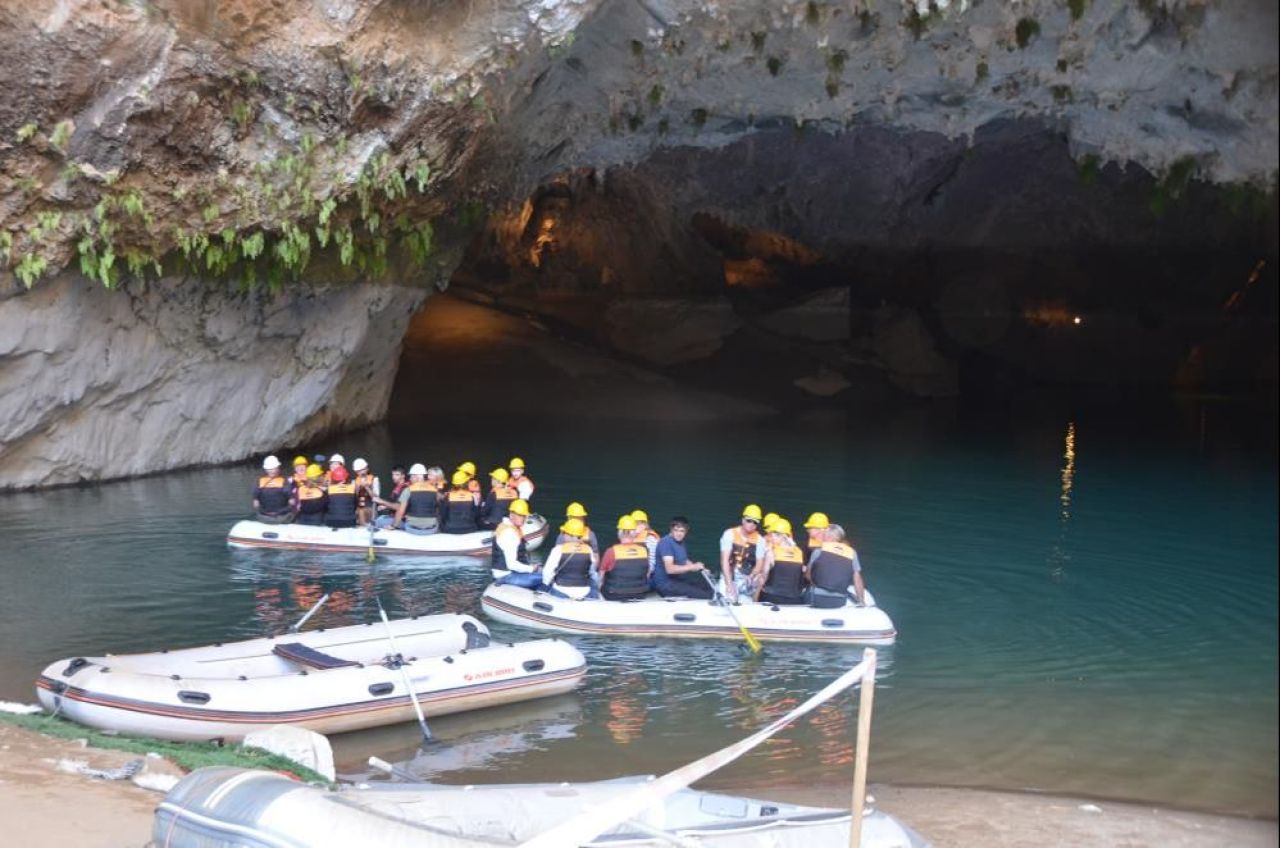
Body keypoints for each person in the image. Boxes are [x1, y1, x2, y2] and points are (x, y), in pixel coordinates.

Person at [651, 516, 714, 599]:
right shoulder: (665, 543)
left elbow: (684, 560)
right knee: (707, 595)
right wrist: (692, 567)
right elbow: (670, 569)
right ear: (671, 529)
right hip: (666, 585)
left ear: (686, 531)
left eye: (682, 531)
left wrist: (700, 568)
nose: (679, 533)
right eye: (676, 530)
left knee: (708, 586)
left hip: (678, 580)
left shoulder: (681, 542)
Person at [808, 523, 865, 608]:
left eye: (824, 535)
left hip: (817, 598)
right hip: (839, 601)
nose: (822, 537)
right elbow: (857, 579)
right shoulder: (852, 553)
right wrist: (861, 601)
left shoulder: (818, 551)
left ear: (829, 537)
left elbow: (807, 575)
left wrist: (815, 584)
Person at [753, 518, 808, 605]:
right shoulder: (799, 552)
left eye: (772, 535)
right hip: (794, 599)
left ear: (781, 536)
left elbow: (764, 578)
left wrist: (755, 597)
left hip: (772, 598)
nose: (771, 538)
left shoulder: (772, 552)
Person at [542, 518, 599, 599]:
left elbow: (547, 571)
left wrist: (546, 584)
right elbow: (592, 572)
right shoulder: (589, 550)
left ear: (569, 535)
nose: (563, 535)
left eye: (564, 533)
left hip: (561, 590)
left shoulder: (558, 549)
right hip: (583, 592)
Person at [598, 515, 652, 601]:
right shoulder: (644, 551)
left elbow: (601, 576)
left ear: (619, 532)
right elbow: (647, 574)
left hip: (615, 594)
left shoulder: (611, 551)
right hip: (640, 594)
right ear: (634, 533)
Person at [719, 504, 766, 601]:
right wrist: (729, 584)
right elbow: (724, 561)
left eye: (755, 522)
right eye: (749, 520)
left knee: (746, 605)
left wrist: (752, 575)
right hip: (729, 575)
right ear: (743, 520)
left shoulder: (760, 540)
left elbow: (759, 563)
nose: (751, 524)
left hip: (746, 577)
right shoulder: (729, 534)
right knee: (727, 599)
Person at [492, 499, 540, 587]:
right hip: (507, 576)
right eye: (521, 516)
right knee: (545, 578)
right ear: (512, 515)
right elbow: (512, 564)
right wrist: (531, 569)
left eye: (524, 516)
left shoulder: (508, 526)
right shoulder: (509, 533)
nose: (524, 519)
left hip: (509, 573)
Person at [386, 463, 440, 534]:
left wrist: (393, 526)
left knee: (381, 521)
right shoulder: (435, 490)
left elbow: (400, 512)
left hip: (413, 529)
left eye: (411, 476)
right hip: (431, 529)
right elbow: (437, 510)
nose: (410, 479)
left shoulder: (408, 490)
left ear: (417, 476)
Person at [253, 455, 296, 524]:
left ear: (266, 469)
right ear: (278, 468)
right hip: (282, 517)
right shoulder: (284, 481)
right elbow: (292, 502)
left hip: (264, 517)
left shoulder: (259, 481)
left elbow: (255, 503)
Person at [440, 469, 481, 533]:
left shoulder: (448, 496)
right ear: (466, 482)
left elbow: (443, 514)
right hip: (469, 528)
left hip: (450, 529)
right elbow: (476, 514)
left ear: (454, 483)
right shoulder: (473, 496)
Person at [352, 458, 380, 527]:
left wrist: (367, 487)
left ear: (367, 469)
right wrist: (357, 488)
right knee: (359, 511)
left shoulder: (375, 479)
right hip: (359, 510)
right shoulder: (354, 481)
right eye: (359, 471)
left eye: (363, 469)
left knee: (362, 511)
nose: (361, 472)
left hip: (371, 509)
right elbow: (352, 499)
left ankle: (365, 524)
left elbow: (376, 498)